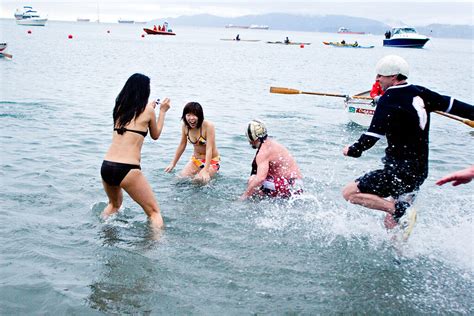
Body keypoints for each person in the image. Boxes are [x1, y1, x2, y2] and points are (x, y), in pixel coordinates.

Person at [342, 55, 474, 231]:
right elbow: (456, 106)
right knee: (392, 222)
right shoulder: (422, 92)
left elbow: (372, 134)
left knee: (350, 193)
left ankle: (400, 209)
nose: (377, 79)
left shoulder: (389, 98)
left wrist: (352, 150)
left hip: (397, 171)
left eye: (380, 75)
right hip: (419, 171)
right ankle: (399, 253)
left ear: (393, 77)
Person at [100, 73, 170, 229]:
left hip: (107, 166)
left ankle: (105, 235)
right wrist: (162, 112)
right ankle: (157, 248)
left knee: (114, 205)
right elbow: (155, 134)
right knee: (154, 213)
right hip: (127, 168)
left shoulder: (118, 108)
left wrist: (149, 108)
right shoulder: (148, 111)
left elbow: (134, 118)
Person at [240, 119, 303, 200]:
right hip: (297, 185)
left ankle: (256, 206)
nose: (249, 142)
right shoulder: (271, 143)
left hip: (289, 187)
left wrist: (243, 197)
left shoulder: (263, 152)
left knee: (252, 180)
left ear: (253, 137)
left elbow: (260, 179)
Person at [164, 102, 220, 184]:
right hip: (196, 160)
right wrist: (173, 163)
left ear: (200, 116)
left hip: (212, 161)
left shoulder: (208, 126)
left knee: (198, 181)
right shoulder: (185, 127)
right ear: (184, 116)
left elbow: (209, 148)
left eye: (194, 115)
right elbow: (182, 145)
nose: (191, 118)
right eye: (188, 115)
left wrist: (206, 169)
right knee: (179, 180)